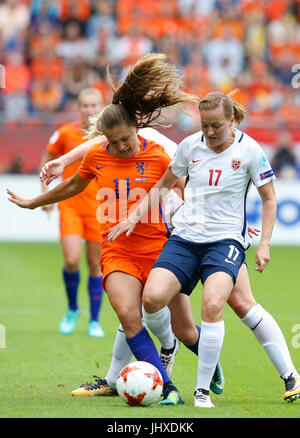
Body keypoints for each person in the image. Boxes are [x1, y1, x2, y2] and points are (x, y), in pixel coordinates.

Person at [7, 53, 200, 406]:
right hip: (118, 250)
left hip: (159, 246)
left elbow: (187, 185)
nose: (121, 147)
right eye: (114, 143)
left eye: (125, 139)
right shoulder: (100, 153)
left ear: (136, 130)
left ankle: (206, 360)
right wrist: (36, 201)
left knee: (186, 330)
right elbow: (74, 184)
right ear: (105, 141)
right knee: (128, 315)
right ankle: (167, 385)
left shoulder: (159, 153)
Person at [107, 90, 300, 408]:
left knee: (229, 305)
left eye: (216, 126)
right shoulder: (189, 147)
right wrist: (133, 218)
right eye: (204, 125)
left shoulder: (250, 151)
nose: (208, 133)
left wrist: (263, 243)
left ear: (232, 120)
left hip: (225, 242)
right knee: (153, 299)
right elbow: (165, 185)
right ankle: (168, 346)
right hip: (186, 239)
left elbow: (269, 198)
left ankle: (281, 377)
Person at [39, 88, 105, 338]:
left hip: (99, 208)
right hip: (70, 205)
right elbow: (48, 157)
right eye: (85, 105)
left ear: (101, 107)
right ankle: (72, 309)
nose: (89, 109)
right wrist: (45, 191)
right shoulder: (65, 133)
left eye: (93, 105)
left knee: (95, 266)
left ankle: (95, 320)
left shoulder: (107, 135)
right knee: (71, 260)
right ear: (78, 108)